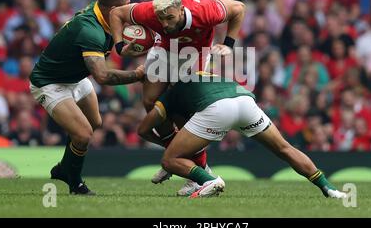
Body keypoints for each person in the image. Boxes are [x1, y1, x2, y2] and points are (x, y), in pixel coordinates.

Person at [109, 0, 245, 195]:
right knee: (151, 104)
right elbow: (116, 13)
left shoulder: (205, 10)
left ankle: (188, 170)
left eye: (169, 18)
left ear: (181, 9)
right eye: (161, 18)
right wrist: (119, 47)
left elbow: (238, 8)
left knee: (183, 115)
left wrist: (228, 45)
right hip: (163, 52)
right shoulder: (150, 11)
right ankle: (181, 163)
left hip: (195, 57)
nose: (164, 23)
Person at [138, 71, 347, 199]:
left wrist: (168, 148)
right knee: (284, 148)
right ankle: (329, 188)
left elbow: (143, 130)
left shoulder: (171, 91)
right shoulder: (209, 74)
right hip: (245, 102)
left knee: (170, 160)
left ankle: (208, 180)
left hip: (218, 109)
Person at [29, 0, 144, 195]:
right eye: (126, 8)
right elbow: (102, 76)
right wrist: (138, 75)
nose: (130, 13)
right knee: (83, 135)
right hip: (50, 82)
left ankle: (64, 167)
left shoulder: (102, 14)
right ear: (112, 10)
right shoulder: (90, 30)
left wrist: (124, 49)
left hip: (75, 77)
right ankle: (75, 183)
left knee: (94, 123)